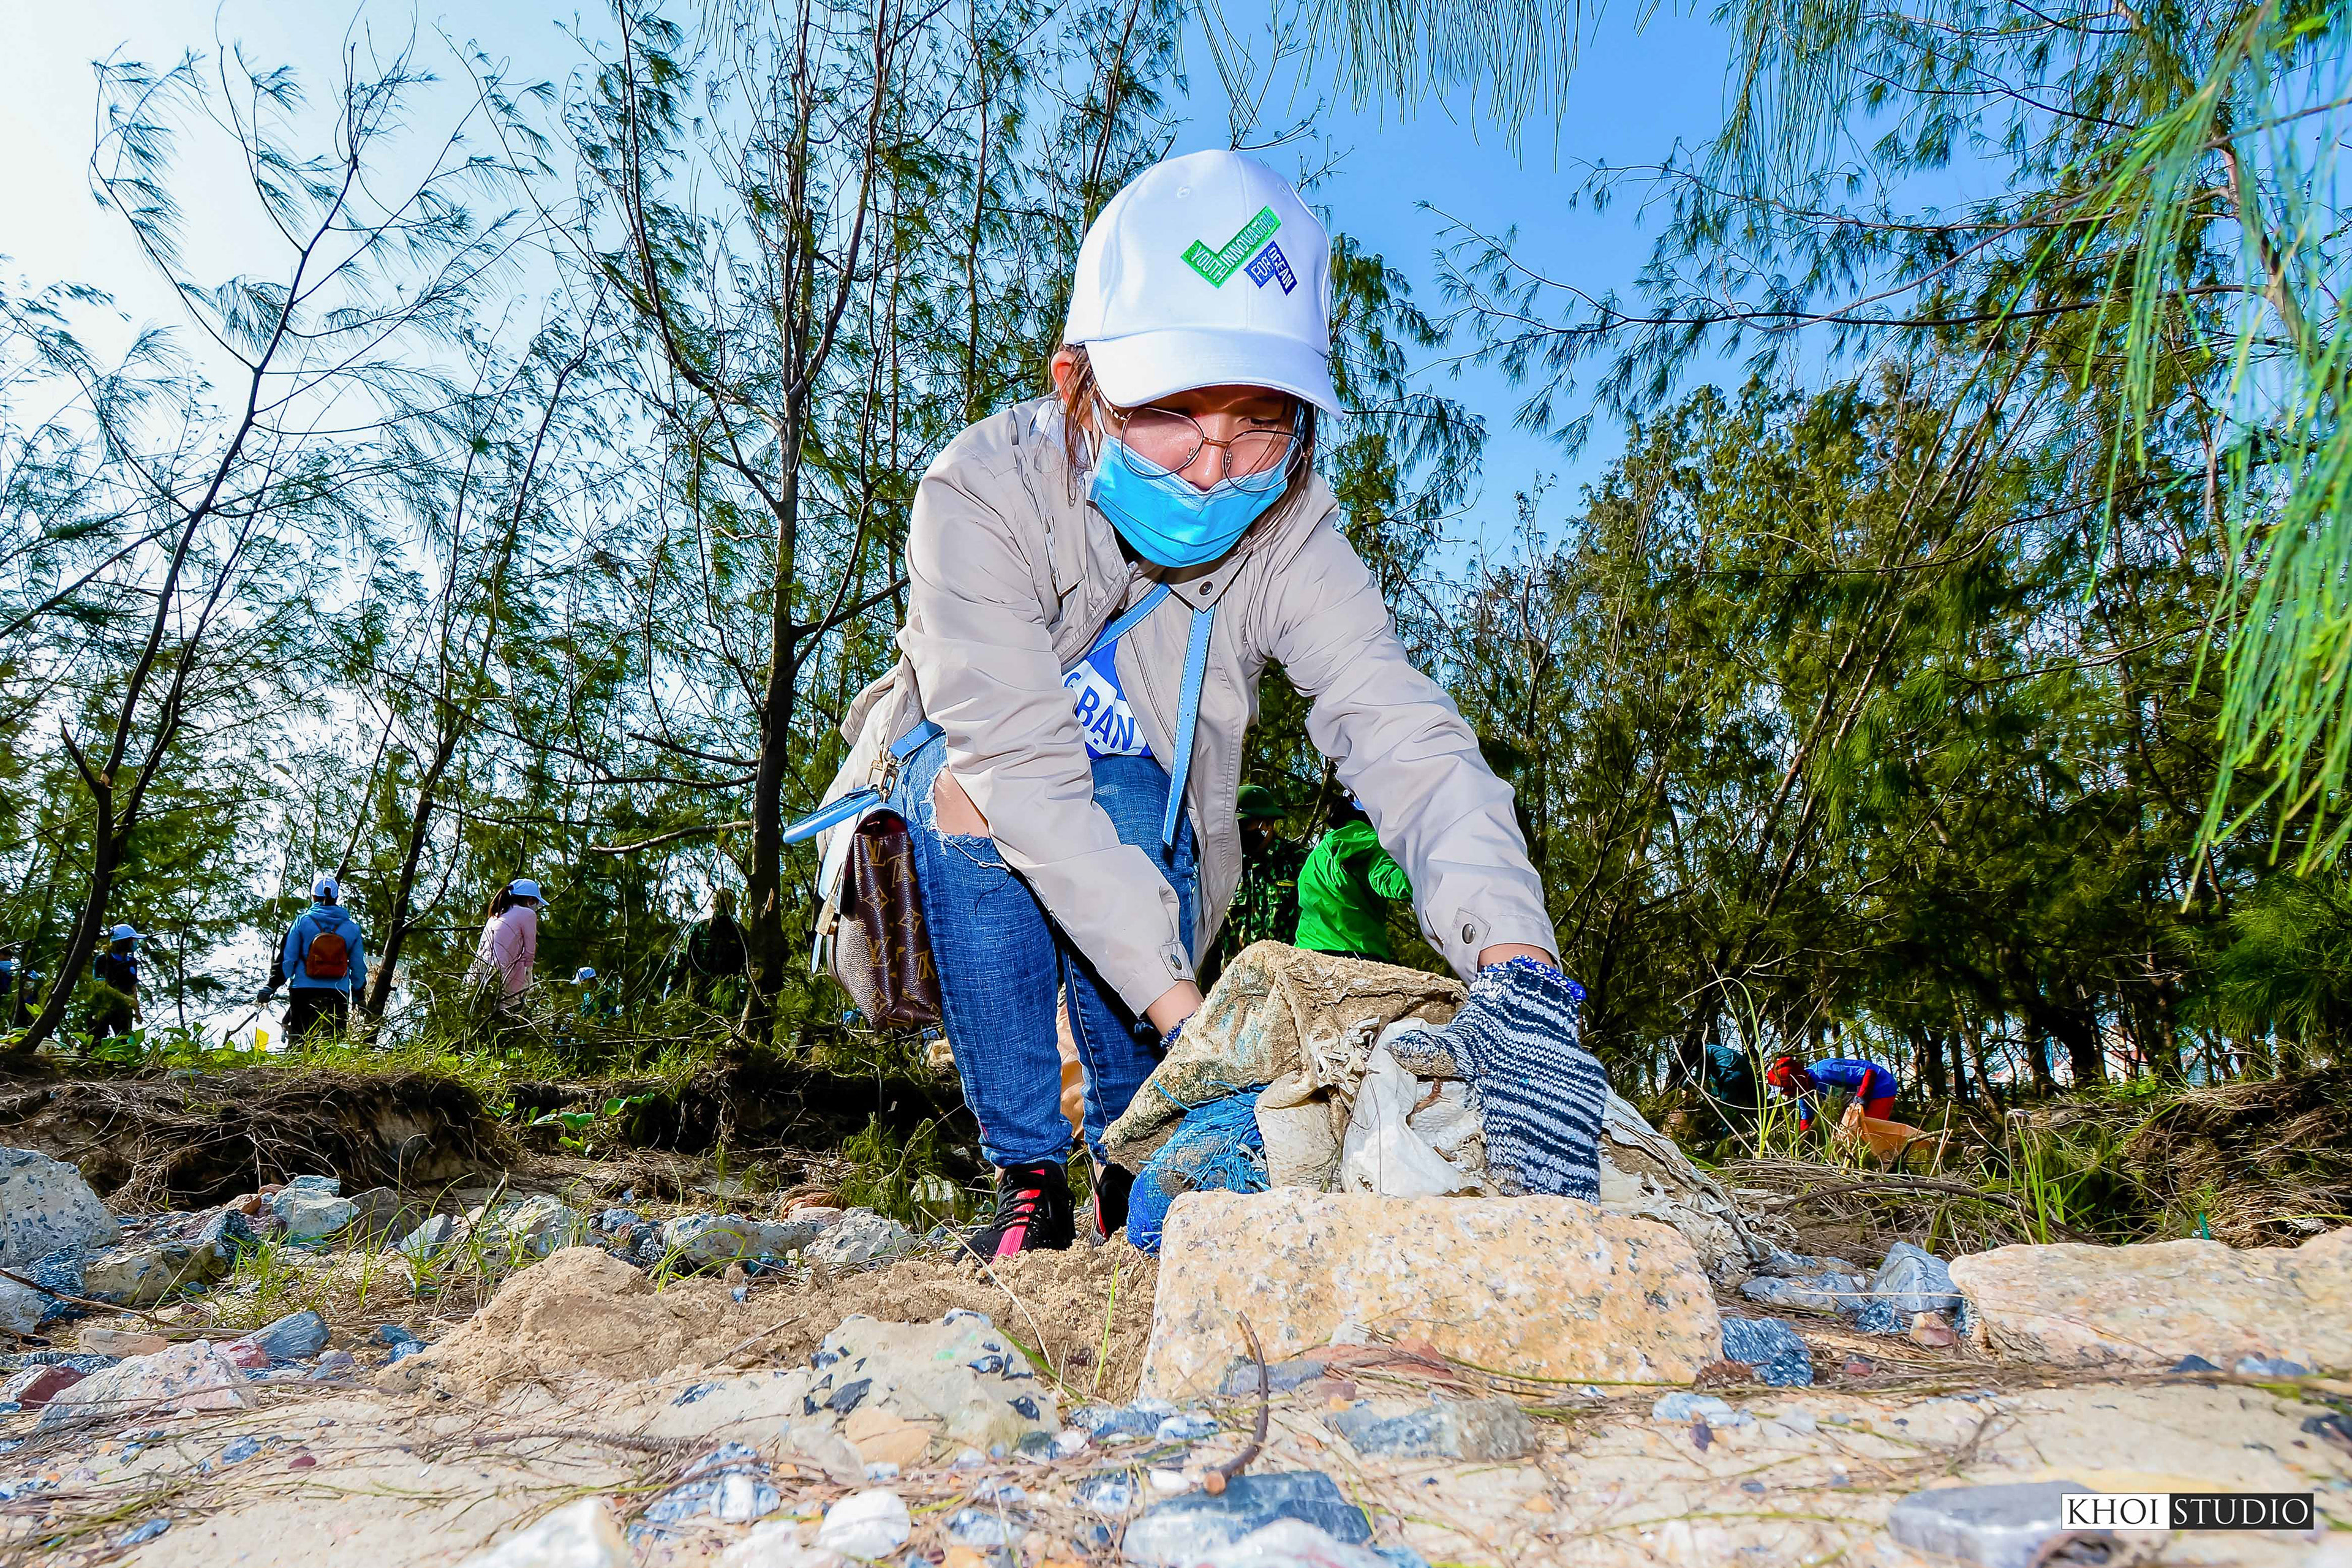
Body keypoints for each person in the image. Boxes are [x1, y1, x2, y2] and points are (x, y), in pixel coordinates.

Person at [813, 150, 1602, 1259]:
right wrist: (1206, 1034)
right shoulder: (981, 495)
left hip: (1151, 846)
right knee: (972, 786)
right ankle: (1029, 1171)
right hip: (966, 827)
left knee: (1137, 797)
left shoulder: (1289, 534)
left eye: (1261, 422)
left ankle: (1134, 1163)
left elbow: (1401, 730)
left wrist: (1515, 961)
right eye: (1174, 413)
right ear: (1078, 385)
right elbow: (1022, 771)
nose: (1212, 469)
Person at [1292, 795, 1412, 962]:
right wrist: (1431, 882)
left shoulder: (1317, 855)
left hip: (1307, 952)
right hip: (1354, 952)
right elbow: (1390, 880)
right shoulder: (1366, 841)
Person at [258, 875, 369, 1046]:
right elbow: (358, 967)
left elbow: (287, 959)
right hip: (338, 992)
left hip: (303, 990)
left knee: (300, 1044)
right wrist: (358, 995)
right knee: (333, 1046)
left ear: (313, 896)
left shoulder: (302, 922)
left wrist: (271, 986)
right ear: (336, 897)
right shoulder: (352, 928)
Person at [1211, 785, 1302, 973]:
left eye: (1244, 825)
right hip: (1237, 981)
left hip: (1285, 979)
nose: (1238, 832)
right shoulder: (1226, 868)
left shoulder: (1300, 863)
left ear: (1267, 824)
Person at [1765, 1053, 1899, 1131]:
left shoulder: (1824, 1072)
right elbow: (1806, 1120)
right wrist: (1800, 1140)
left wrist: (1861, 1099)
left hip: (1880, 1085)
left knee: (1867, 1129)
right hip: (1854, 1094)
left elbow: (1868, 1074)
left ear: (1796, 1081)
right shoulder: (1803, 1093)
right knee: (1844, 1131)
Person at [467, 879, 545, 1010]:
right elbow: (529, 953)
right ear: (530, 901)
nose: (536, 908)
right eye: (535, 903)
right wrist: (528, 979)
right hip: (503, 977)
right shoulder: (528, 914)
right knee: (507, 1013)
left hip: (479, 975)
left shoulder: (495, 916)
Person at [671, 888, 747, 1000]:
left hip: (727, 996)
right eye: (721, 907)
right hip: (698, 995)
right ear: (712, 907)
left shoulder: (739, 933)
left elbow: (748, 963)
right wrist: (671, 984)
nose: (725, 913)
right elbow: (682, 958)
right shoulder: (699, 930)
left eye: (728, 907)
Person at [90, 924, 141, 1038]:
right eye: (133, 940)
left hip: (122, 1011)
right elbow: (100, 984)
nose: (135, 943)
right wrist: (126, 999)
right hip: (102, 1007)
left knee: (125, 1040)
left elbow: (133, 987)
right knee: (97, 1040)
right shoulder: (103, 959)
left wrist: (137, 1011)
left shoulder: (132, 962)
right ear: (124, 942)